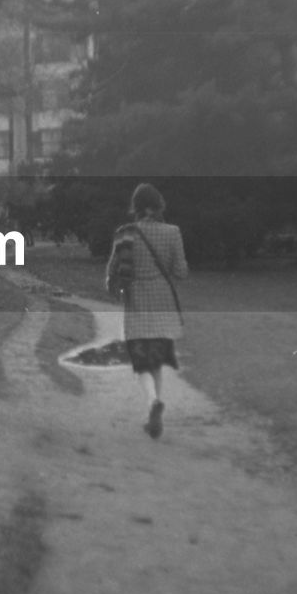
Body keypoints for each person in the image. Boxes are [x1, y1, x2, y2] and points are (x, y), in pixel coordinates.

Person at [106, 182, 188, 439]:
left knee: (141, 360)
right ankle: (154, 408)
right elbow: (181, 272)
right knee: (157, 360)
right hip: (162, 302)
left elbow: (112, 271)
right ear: (159, 205)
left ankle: (152, 402)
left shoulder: (124, 234)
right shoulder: (173, 232)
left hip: (137, 302)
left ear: (136, 207)